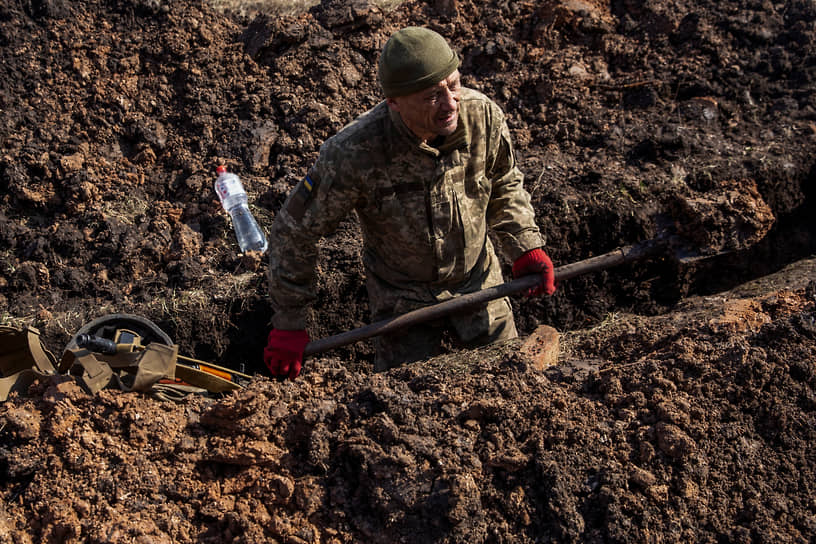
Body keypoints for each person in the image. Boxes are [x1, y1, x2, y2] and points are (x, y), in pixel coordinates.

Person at [264, 26, 556, 379]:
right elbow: (294, 232)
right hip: (402, 301)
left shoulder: (483, 118)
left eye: (453, 85)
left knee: (509, 381)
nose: (450, 104)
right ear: (395, 102)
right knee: (404, 402)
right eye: (433, 95)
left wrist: (524, 245)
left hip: (479, 284)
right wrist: (290, 321)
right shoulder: (354, 153)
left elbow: (505, 182)